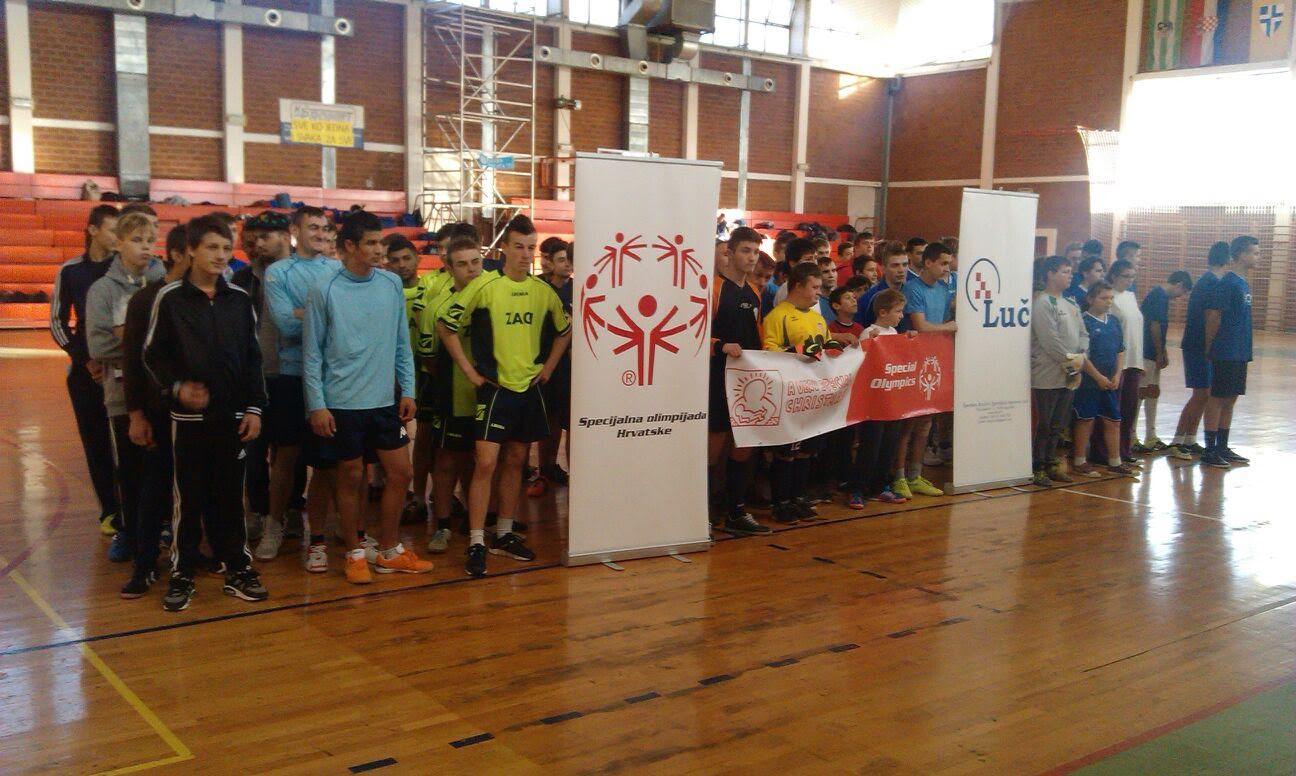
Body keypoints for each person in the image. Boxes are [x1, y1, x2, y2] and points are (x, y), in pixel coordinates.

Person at [143, 215, 269, 612]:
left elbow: (252, 358)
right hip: (189, 422)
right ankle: (182, 573)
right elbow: (152, 355)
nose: (220, 255)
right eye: (212, 247)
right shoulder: (170, 299)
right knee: (189, 499)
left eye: (226, 248)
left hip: (232, 417)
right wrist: (177, 388)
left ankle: (238, 568)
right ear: (191, 250)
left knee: (231, 498)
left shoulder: (239, 300)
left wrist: (254, 408)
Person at [437, 215, 571, 577]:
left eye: (531, 248)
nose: (525, 254)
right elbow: (446, 326)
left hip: (528, 389)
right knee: (485, 463)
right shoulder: (484, 285)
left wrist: (548, 367)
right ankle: (476, 540)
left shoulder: (543, 291)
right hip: (495, 389)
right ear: (505, 249)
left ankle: (504, 533)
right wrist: (470, 372)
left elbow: (565, 330)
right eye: (519, 247)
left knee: (516, 460)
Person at [303, 210, 431, 583]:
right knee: (350, 477)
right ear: (349, 246)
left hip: (383, 402)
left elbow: (401, 343)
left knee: (401, 472)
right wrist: (317, 404)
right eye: (371, 243)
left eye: (381, 242)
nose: (379, 250)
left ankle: (388, 550)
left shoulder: (390, 283)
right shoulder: (324, 289)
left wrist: (408, 389)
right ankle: (355, 554)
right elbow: (312, 354)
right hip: (341, 403)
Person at [259, 207, 344, 568]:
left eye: (325, 228)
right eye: (313, 227)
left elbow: (344, 319)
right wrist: (326, 315)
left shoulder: (338, 270)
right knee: (286, 456)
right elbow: (285, 323)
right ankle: (274, 524)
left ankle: (338, 529)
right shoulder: (278, 272)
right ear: (295, 230)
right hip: (291, 375)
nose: (321, 233)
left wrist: (305, 313)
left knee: (330, 459)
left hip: (330, 376)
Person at [85, 212, 165, 568]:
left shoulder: (163, 283)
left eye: (150, 240)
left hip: (160, 392)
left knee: (161, 465)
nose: (145, 247)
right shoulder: (102, 290)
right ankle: (129, 531)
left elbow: (171, 339)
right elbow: (99, 345)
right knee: (130, 469)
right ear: (118, 244)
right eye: (136, 240)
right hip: (121, 394)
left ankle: (160, 527)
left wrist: (128, 335)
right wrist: (140, 344)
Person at [118, 225, 189, 598]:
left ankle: (188, 557)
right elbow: (132, 361)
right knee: (154, 488)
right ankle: (144, 563)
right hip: (158, 411)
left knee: (196, 487)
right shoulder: (146, 300)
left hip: (197, 414)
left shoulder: (206, 298)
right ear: (178, 254)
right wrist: (136, 414)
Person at [50, 203, 121, 539]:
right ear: (93, 230)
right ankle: (110, 510)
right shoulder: (70, 271)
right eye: (113, 229)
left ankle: (139, 507)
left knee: (130, 440)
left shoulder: (123, 269)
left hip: (121, 369)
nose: (119, 237)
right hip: (85, 372)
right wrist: (85, 361)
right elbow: (58, 323)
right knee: (96, 442)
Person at [417, 236, 484, 552]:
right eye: (462, 264)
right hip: (453, 397)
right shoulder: (436, 308)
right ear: (449, 268)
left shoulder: (494, 296)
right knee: (446, 460)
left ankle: (479, 522)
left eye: (476, 262)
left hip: (490, 396)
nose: (471, 269)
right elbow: (429, 358)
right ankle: (442, 525)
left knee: (482, 462)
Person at [232, 212, 293, 543]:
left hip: (291, 373)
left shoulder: (299, 275)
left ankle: (290, 510)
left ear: (284, 236)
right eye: (252, 239)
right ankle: (256, 510)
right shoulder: (241, 279)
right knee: (253, 450)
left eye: (263, 237)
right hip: (253, 377)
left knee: (291, 449)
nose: (256, 244)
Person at [707, 227, 770, 536]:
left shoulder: (754, 292)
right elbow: (695, 336)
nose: (752, 257)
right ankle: (704, 514)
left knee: (744, 444)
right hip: (717, 378)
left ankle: (736, 510)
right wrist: (720, 346)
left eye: (756, 252)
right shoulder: (713, 289)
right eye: (746, 251)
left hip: (747, 381)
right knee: (714, 446)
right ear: (730, 253)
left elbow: (758, 338)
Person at [762, 262, 831, 524]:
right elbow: (768, 352)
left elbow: (825, 345)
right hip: (789, 392)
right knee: (787, 450)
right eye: (814, 287)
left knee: (808, 449)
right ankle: (780, 502)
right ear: (798, 286)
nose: (818, 292)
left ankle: (798, 497)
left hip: (814, 392)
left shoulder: (817, 318)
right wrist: (800, 352)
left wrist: (838, 346)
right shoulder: (778, 316)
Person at [894, 242, 956, 500]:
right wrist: (949, 327)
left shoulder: (943, 289)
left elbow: (942, 321)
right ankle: (898, 477)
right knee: (908, 424)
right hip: (914, 361)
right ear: (928, 262)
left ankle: (915, 476)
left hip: (935, 360)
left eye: (948, 263)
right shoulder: (913, 288)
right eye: (943, 263)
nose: (947, 268)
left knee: (926, 422)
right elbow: (921, 326)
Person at [1200, 235, 1260, 469]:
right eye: (1254, 252)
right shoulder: (1228, 283)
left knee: (1231, 398)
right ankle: (1209, 449)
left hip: (1239, 350)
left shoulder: (1242, 283)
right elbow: (1213, 315)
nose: (1258, 257)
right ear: (1241, 255)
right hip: (1226, 349)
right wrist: (1210, 345)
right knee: (1217, 398)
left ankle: (1222, 446)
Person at [1070, 282, 1139, 479]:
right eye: (1103, 298)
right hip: (1088, 381)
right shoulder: (1083, 321)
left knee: (1113, 420)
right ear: (1090, 299)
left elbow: (1120, 350)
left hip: (1109, 381)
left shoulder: (1114, 321)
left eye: (1111, 298)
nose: (1108, 302)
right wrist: (1097, 377)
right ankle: (1079, 461)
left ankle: (1115, 462)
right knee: (1086, 419)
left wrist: (1117, 374)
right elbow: (1081, 355)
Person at [852, 289, 915, 506]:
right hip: (874, 401)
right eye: (898, 311)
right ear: (882, 312)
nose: (901, 315)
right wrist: (870, 342)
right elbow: (862, 359)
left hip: (891, 401)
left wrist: (909, 341)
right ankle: (858, 488)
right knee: (871, 445)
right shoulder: (869, 332)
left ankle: (880, 486)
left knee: (888, 446)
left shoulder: (894, 333)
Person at [1030, 256, 1086, 487]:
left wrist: (1080, 357)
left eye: (1070, 271)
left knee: (1059, 423)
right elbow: (1049, 340)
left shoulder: (1071, 303)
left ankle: (1052, 462)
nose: (1069, 276)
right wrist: (1071, 363)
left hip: (1070, 372)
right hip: (1048, 372)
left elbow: (1083, 334)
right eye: (1064, 271)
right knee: (1045, 422)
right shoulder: (1043, 303)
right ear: (1050, 274)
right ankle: (1037, 467)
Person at [1170, 242, 1229, 459]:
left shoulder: (1207, 280)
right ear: (1228, 259)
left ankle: (1189, 439)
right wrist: (1210, 347)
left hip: (1198, 345)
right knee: (1200, 394)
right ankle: (1177, 441)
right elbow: (1211, 317)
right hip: (1199, 346)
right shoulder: (1212, 282)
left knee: (1204, 395)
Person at [531, 238, 574, 495]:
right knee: (548, 420)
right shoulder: (538, 288)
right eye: (561, 260)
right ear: (548, 261)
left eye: (568, 260)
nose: (567, 264)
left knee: (568, 421)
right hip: (546, 365)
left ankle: (562, 470)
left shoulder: (577, 289)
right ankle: (544, 468)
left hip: (570, 368)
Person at [1134, 270, 1192, 453]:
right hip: (1147, 351)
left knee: (1152, 391)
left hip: (1153, 352)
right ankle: (1131, 435)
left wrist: (1162, 351)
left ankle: (1151, 435)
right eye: (1183, 292)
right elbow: (1154, 326)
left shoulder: (1162, 297)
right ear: (1179, 284)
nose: (1181, 297)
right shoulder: (1158, 296)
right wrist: (1160, 352)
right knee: (1141, 392)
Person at [1106, 259, 1144, 465]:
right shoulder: (1109, 297)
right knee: (1114, 409)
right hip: (1118, 360)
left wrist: (1141, 362)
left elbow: (1136, 329)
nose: (1129, 280)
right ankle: (1108, 451)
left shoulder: (1130, 296)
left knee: (1130, 408)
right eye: (1125, 276)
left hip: (1134, 360)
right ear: (1114, 276)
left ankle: (1125, 449)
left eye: (1132, 276)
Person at [772, 237, 818, 306]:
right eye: (808, 259)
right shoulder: (788, 290)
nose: (815, 263)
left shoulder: (812, 284)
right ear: (793, 263)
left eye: (816, 258)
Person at [815, 255, 838, 319]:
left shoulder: (841, 297)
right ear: (817, 275)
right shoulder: (812, 301)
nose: (831, 275)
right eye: (825, 272)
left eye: (834, 270)